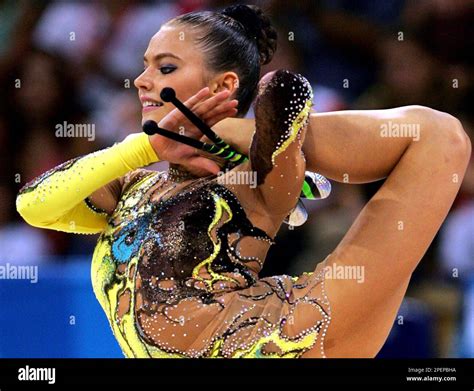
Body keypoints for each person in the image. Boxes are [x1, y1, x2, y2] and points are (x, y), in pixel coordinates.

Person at [16, 4, 471, 358]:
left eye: (165, 68)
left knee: (440, 136)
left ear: (222, 87)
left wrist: (240, 134)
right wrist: (147, 147)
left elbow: (284, 94)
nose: (140, 80)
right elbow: (33, 205)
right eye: (145, 65)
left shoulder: (251, 174)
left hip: (285, 339)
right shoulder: (133, 184)